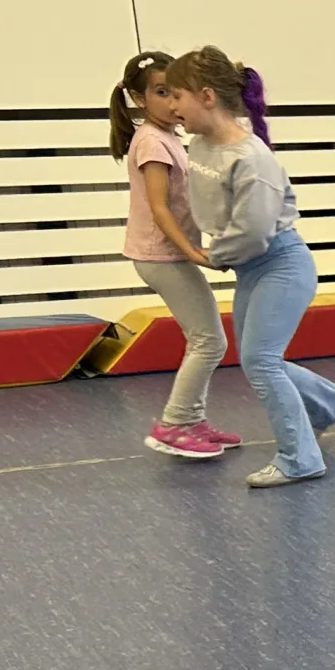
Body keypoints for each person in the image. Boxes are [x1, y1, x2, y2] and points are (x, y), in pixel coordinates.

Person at [166, 48, 335, 489]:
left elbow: (254, 230)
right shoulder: (201, 145)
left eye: (177, 96)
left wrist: (216, 255)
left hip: (280, 264)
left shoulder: (252, 159)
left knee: (261, 362)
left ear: (207, 96)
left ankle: (299, 458)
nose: (171, 107)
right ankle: (327, 402)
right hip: (251, 267)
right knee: (256, 358)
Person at [110, 50, 236, 462]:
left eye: (175, 92)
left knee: (207, 339)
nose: (171, 101)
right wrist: (193, 252)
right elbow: (160, 208)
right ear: (138, 98)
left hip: (167, 254)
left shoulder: (168, 138)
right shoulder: (152, 142)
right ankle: (175, 424)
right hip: (161, 256)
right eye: (160, 92)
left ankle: (191, 420)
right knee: (209, 341)